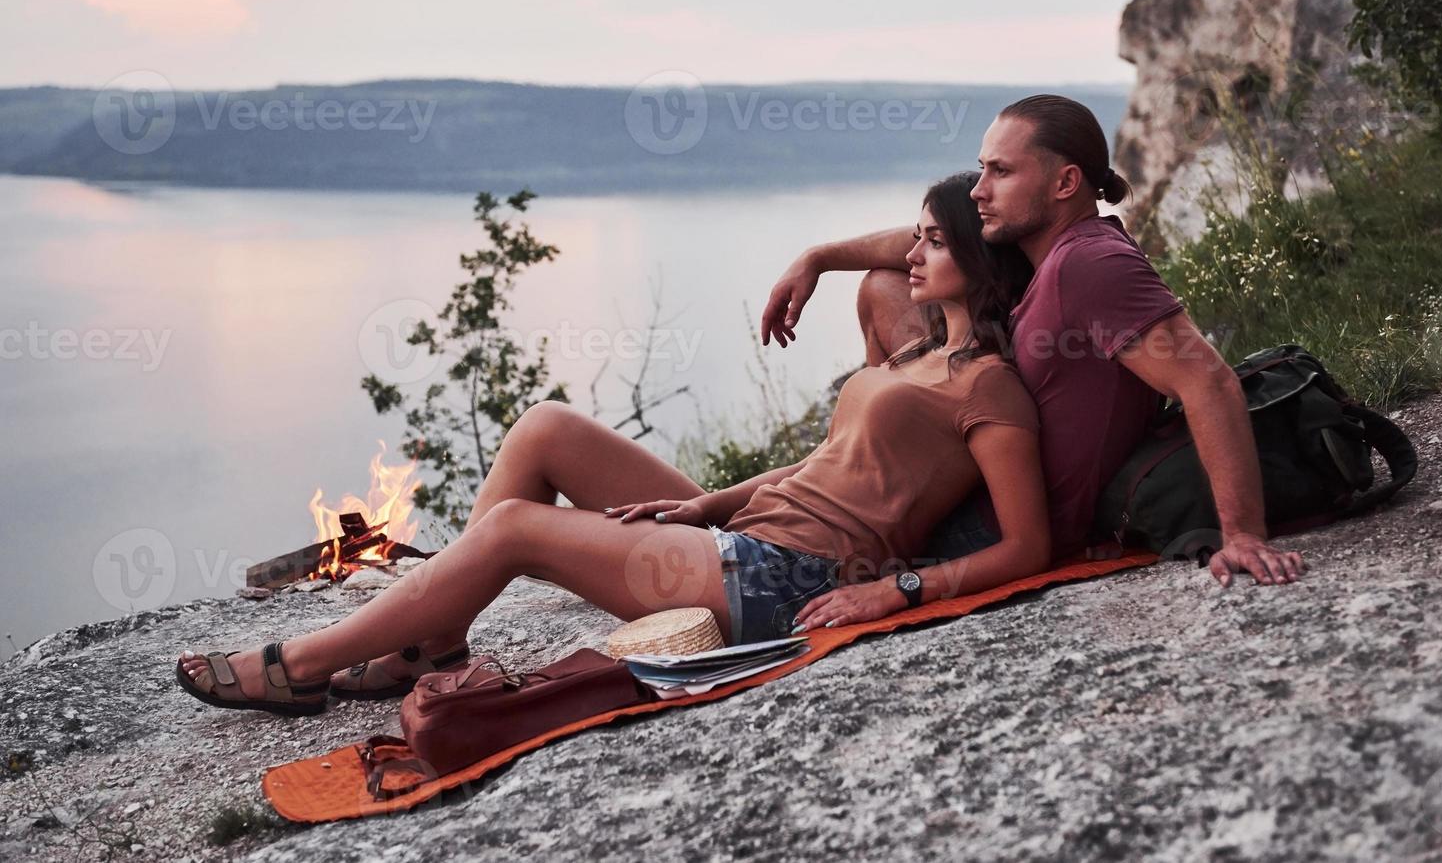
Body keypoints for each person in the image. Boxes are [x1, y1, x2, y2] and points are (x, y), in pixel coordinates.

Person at [175, 173, 1052, 717]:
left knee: (514, 528)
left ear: (978, 262)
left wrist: (897, 593)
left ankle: (300, 668)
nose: (909, 255)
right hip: (742, 538)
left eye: (933, 243)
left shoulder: (988, 390)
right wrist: (707, 503)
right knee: (546, 426)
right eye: (917, 239)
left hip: (784, 582)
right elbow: (830, 463)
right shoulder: (912, 345)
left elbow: (1029, 546)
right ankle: (430, 643)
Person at [760, 94, 1307, 589]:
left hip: (986, 529)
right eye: (981, 169)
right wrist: (819, 258)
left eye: (1000, 172)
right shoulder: (1042, 249)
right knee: (885, 285)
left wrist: (1242, 535)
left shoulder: (1090, 262)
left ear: (1065, 184)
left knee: (718, 541)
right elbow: (920, 242)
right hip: (969, 471)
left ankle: (824, 511)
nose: (978, 190)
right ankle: (841, 466)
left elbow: (1205, 378)